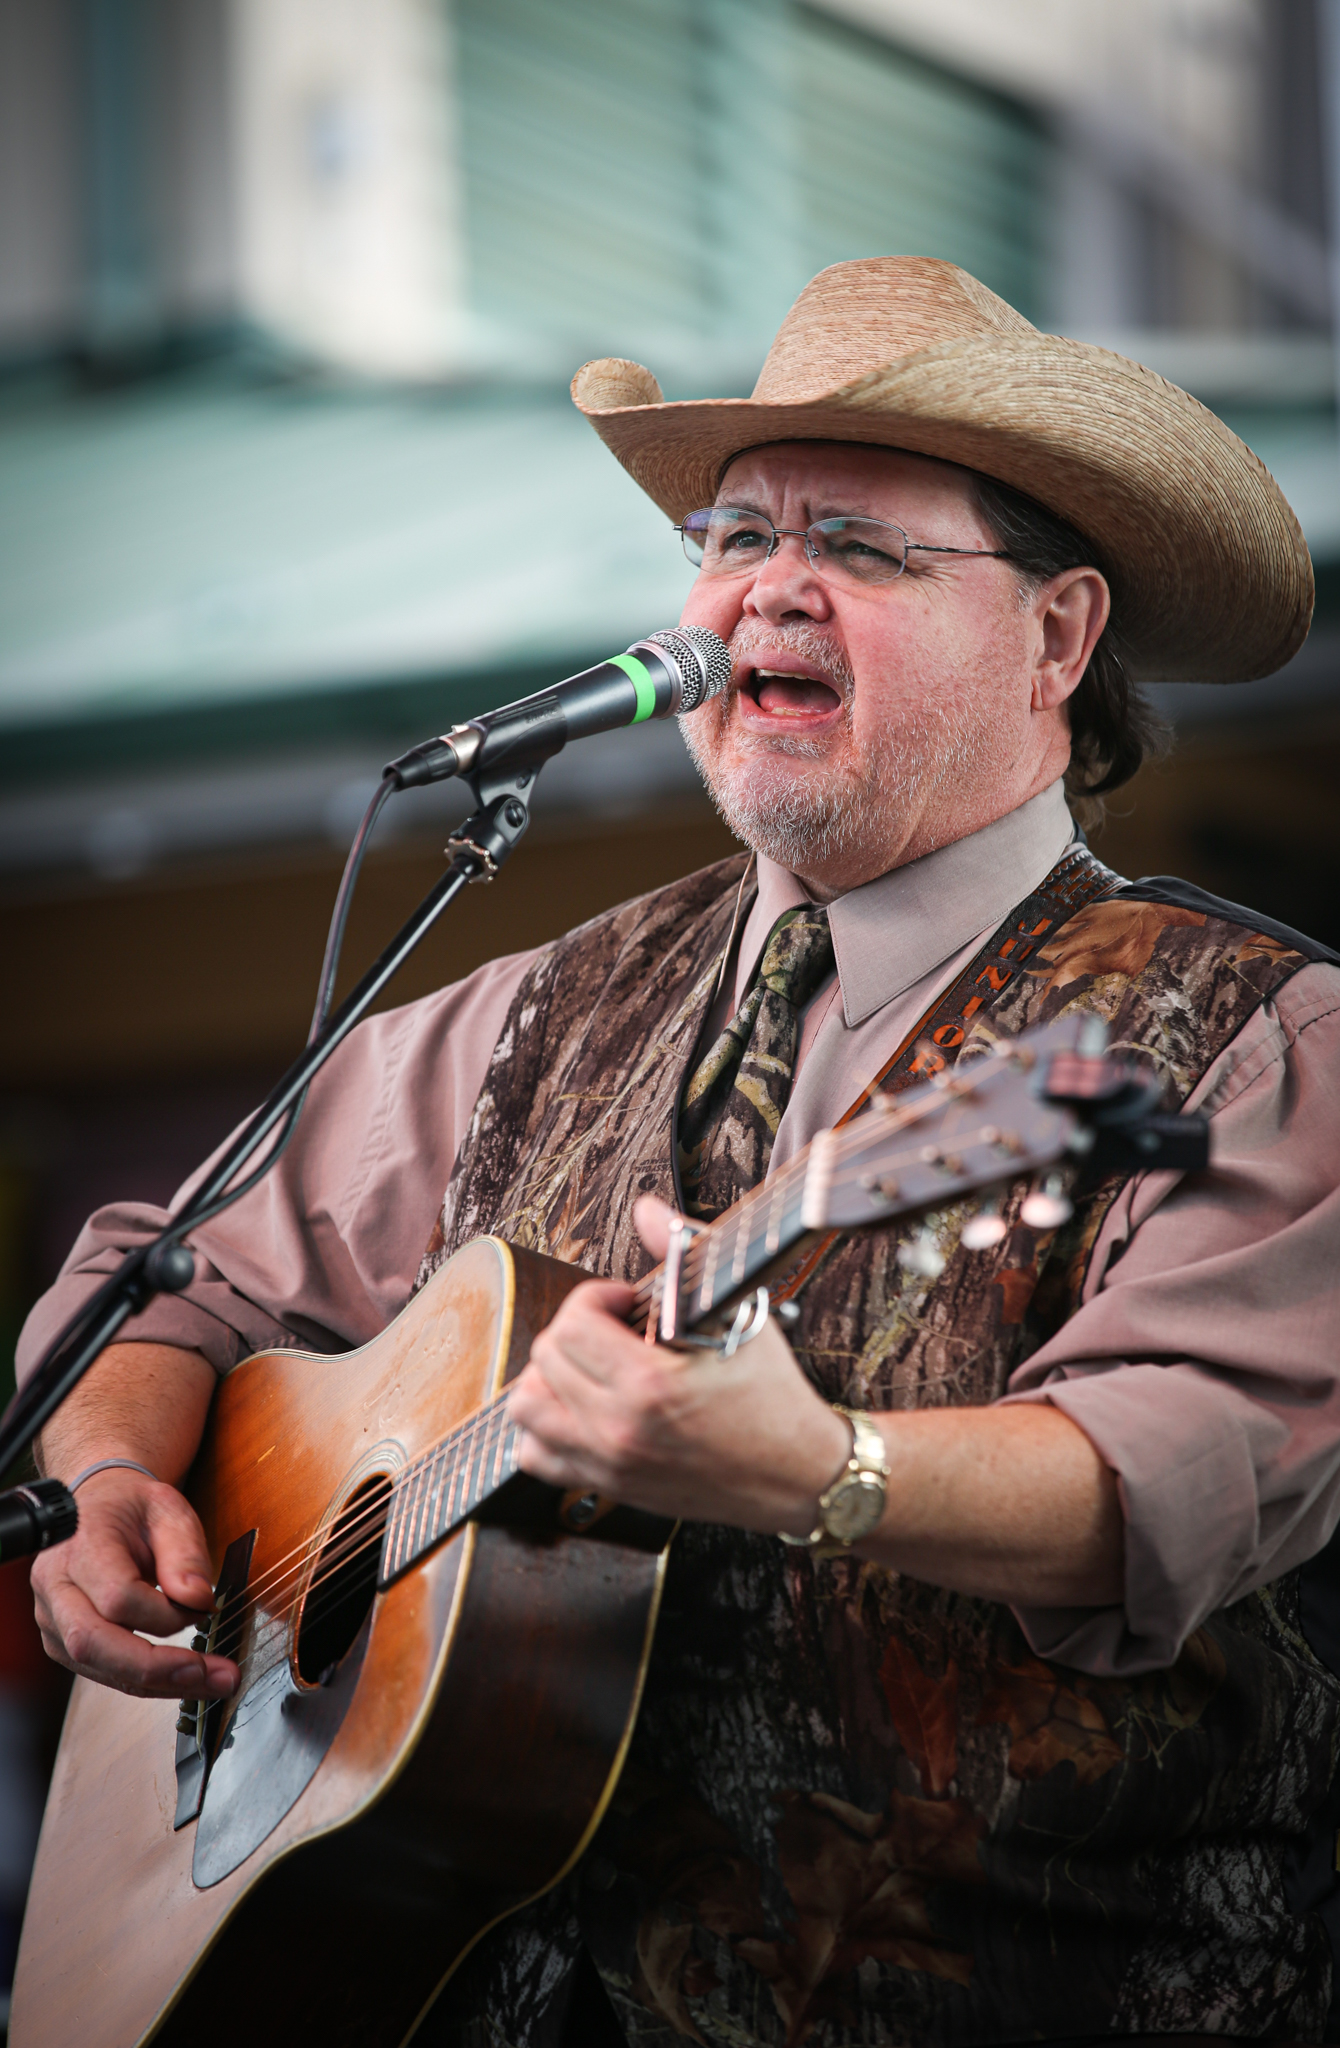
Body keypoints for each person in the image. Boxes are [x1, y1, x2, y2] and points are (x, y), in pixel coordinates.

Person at [17, 257, 1340, 2048]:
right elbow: (155, 1281)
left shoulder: (1258, 1033)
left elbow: (1175, 1465)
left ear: (1057, 638)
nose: (766, 592)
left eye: (864, 549)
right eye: (734, 535)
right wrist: (111, 1490)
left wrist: (825, 1464)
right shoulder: (535, 1008)